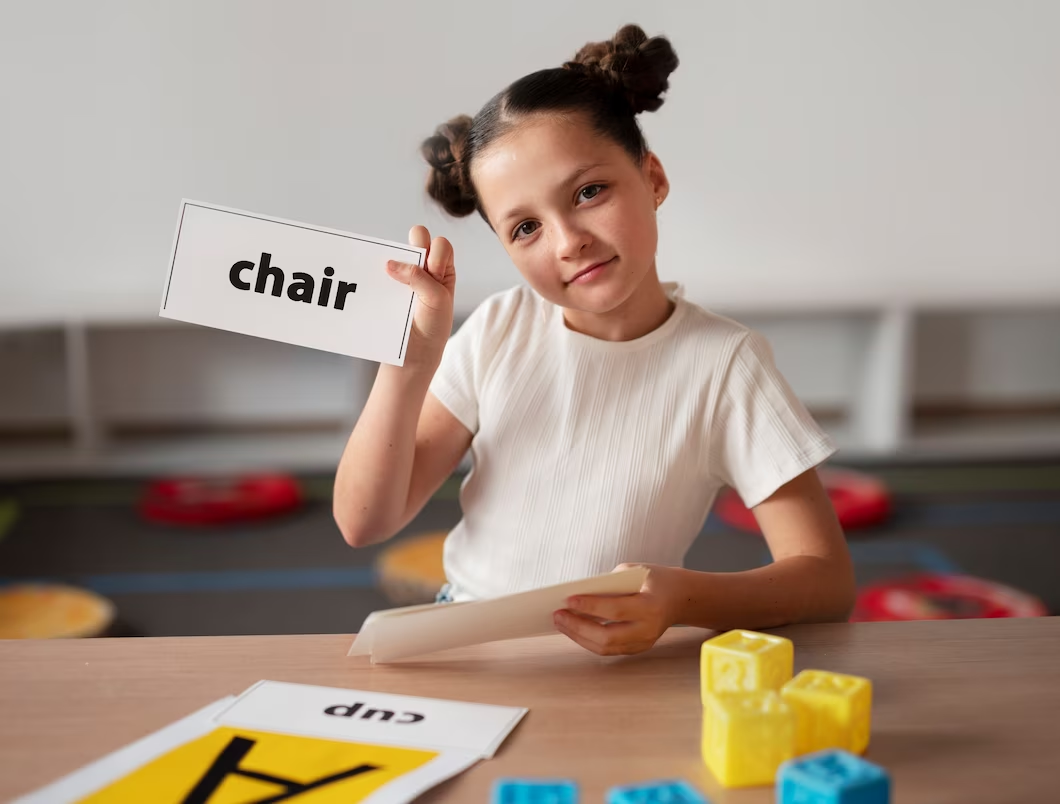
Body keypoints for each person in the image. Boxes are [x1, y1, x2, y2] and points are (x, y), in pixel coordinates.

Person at [334, 24, 855, 656]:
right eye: (525, 227)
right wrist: (410, 362)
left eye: (588, 193)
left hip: (620, 664)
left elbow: (826, 580)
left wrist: (684, 600)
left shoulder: (726, 365)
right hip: (466, 645)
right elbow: (363, 522)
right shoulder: (498, 330)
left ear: (653, 178)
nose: (566, 240)